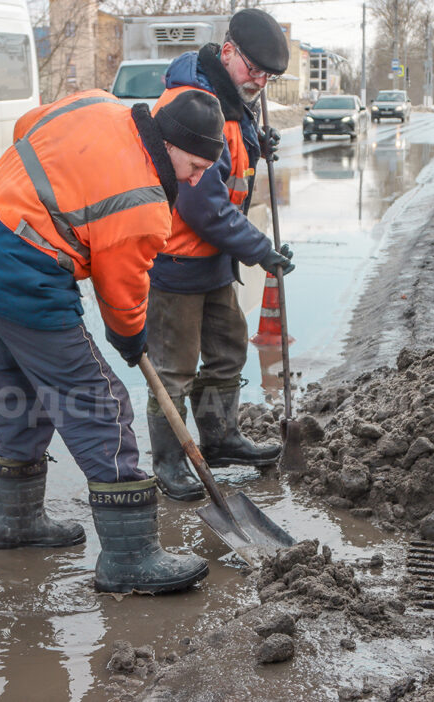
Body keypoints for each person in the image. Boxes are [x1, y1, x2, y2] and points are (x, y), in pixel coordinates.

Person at [0, 88, 226, 594]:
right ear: (172, 143)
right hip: (22, 266)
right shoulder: (144, 203)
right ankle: (130, 558)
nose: (198, 178)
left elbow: (25, 127)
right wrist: (131, 341)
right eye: (196, 165)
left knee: (18, 394)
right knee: (102, 403)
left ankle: (14, 523)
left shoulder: (98, 103)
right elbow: (121, 297)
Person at [145, 9, 295, 502]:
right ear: (227, 50)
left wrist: (256, 144)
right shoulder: (195, 103)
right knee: (174, 370)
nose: (260, 81)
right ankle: (170, 462)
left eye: (268, 76)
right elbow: (202, 206)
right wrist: (262, 251)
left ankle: (220, 437)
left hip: (211, 263)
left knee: (228, 350)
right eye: (253, 69)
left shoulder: (233, 100)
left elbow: (230, 165)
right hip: (175, 261)